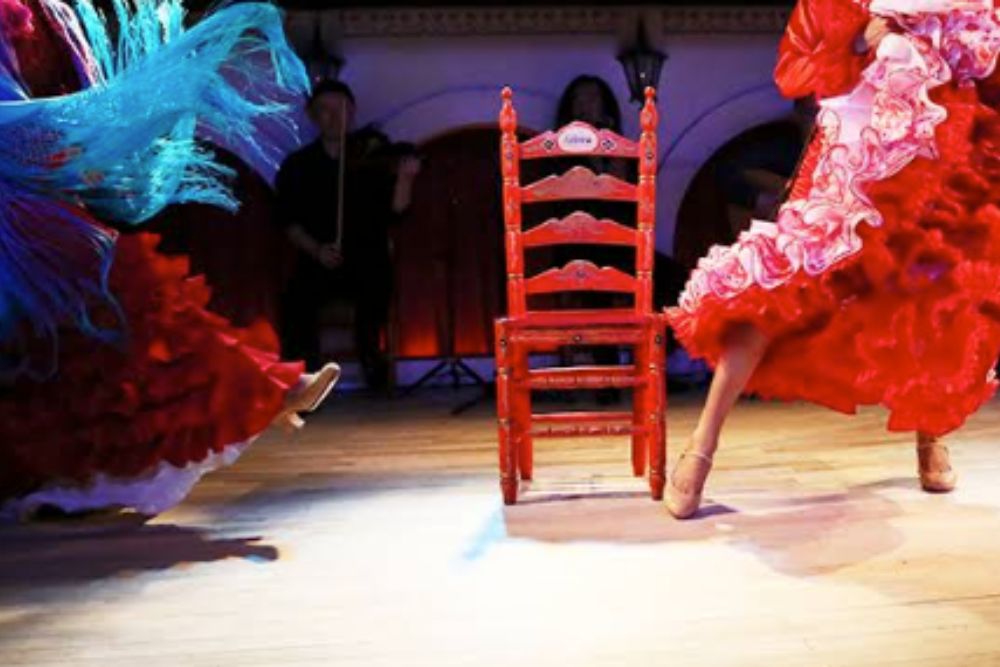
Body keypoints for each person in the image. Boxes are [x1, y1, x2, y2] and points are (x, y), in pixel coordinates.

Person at [0, 0, 339, 520]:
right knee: (104, 311)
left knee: (105, 321)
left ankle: (261, 389)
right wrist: (80, 139)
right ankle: (260, 390)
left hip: (35, 207)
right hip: (21, 216)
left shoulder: (42, 19)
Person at [666, 0, 1000, 518]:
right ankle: (701, 445)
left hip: (941, 159)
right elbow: (794, 70)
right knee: (779, 285)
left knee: (934, 296)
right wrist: (860, 41)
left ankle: (930, 434)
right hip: (854, 158)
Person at [276, 81, 421, 390]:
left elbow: (396, 212)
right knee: (295, 300)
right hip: (318, 259)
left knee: (377, 282)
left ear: (352, 112)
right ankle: (307, 378)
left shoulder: (372, 157)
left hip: (366, 258)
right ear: (313, 116)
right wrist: (317, 250)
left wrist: (405, 179)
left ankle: (372, 360)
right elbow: (289, 223)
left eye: (340, 109)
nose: (334, 117)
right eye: (325, 110)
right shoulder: (297, 166)